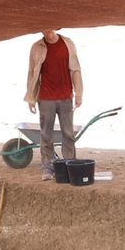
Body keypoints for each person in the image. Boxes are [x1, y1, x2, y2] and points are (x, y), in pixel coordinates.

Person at [25, 29, 84, 181]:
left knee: (68, 134)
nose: (46, 31)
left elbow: (76, 70)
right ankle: (47, 168)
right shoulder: (37, 47)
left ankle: (70, 165)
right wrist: (31, 97)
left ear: (56, 27)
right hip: (45, 98)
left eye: (49, 27)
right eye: (43, 28)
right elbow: (32, 73)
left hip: (65, 97)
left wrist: (79, 94)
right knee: (46, 135)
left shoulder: (68, 44)